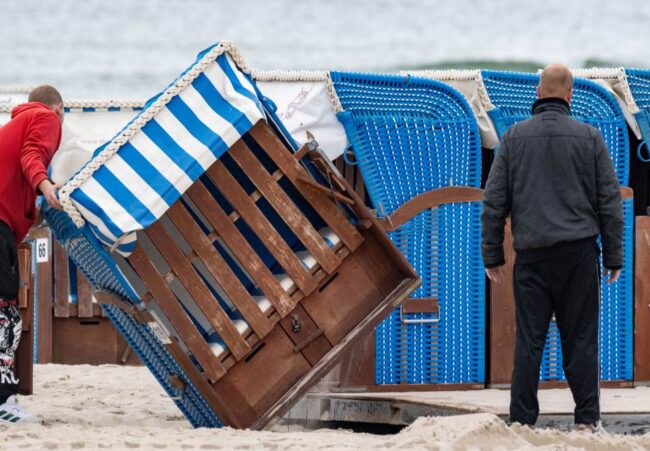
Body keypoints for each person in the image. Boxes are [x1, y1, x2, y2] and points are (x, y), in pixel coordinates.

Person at [481, 64, 623, 433]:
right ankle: (587, 422)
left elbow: (494, 203)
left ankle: (522, 423)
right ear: (570, 96)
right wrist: (614, 256)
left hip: (532, 257)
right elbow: (609, 202)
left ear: (539, 93)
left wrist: (493, 255)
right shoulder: (590, 137)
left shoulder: (513, 139)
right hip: (579, 256)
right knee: (581, 340)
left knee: (530, 341)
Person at [0, 85, 64, 423]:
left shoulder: (16, 123)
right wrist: (46, 186)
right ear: (59, 108)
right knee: (5, 314)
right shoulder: (45, 117)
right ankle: (3, 405)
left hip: (4, 225)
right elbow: (32, 156)